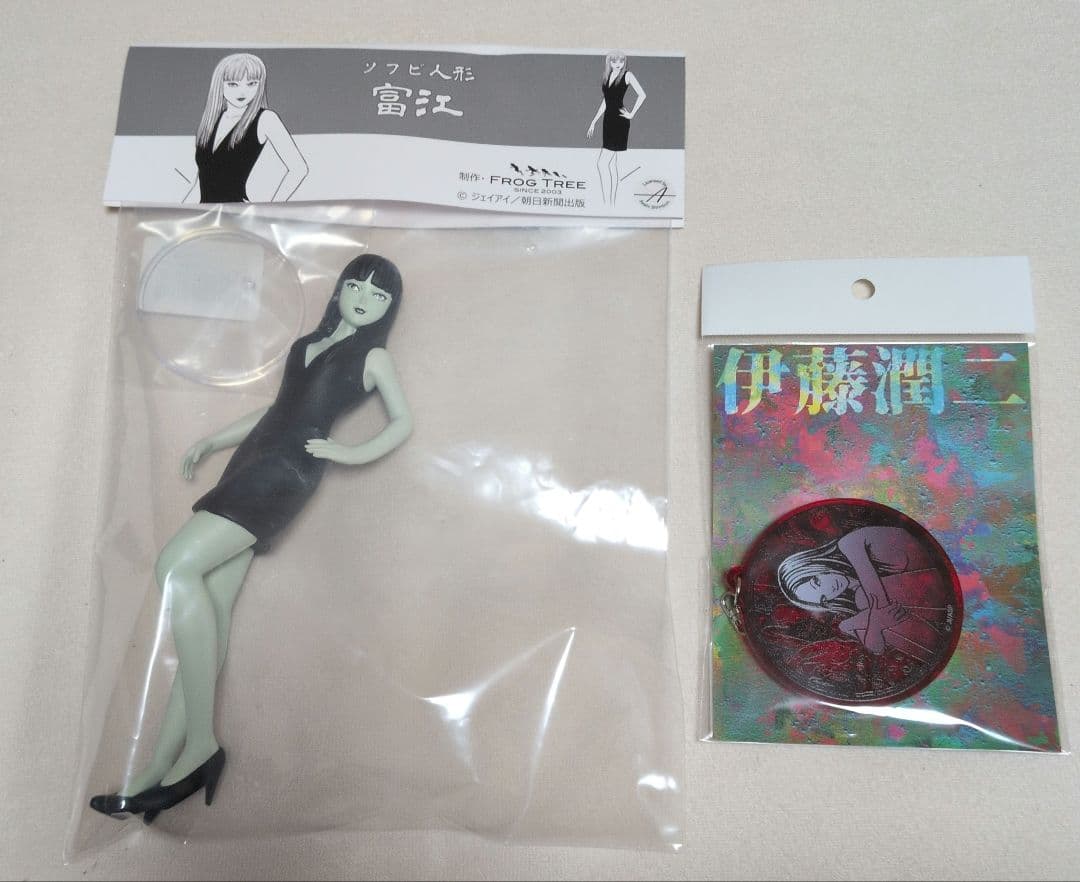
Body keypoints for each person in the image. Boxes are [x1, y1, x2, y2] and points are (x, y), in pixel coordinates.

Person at [90, 254, 412, 821]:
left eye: (378, 295)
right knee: (211, 608)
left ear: (389, 309)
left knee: (175, 567)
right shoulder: (307, 344)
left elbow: (403, 421)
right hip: (251, 461)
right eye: (355, 286)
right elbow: (277, 410)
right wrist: (214, 439)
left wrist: (347, 452)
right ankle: (157, 770)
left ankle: (201, 745)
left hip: (284, 476)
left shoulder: (374, 357)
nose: (364, 299)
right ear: (339, 290)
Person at [776, 525, 946, 662]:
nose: (829, 590)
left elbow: (879, 601)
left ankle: (939, 648)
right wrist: (870, 623)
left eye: (817, 582)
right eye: (823, 598)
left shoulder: (849, 543)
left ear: (814, 564)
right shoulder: (856, 599)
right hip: (941, 605)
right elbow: (876, 648)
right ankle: (940, 650)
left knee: (864, 603)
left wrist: (848, 624)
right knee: (865, 609)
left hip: (945, 563)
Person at [185, 52, 308, 203]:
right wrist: (182, 212)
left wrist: (268, 209)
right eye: (233, 84)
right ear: (220, 85)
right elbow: (201, 181)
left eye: (252, 84)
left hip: (238, 213)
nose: (242, 91)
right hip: (206, 212)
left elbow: (299, 168)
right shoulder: (210, 121)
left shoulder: (266, 119)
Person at [586, 51, 646, 205]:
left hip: (619, 121)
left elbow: (642, 95)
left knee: (602, 164)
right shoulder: (607, 76)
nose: (618, 64)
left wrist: (631, 114)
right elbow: (606, 102)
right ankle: (611, 204)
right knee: (612, 165)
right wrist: (594, 121)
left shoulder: (627, 75)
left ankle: (607, 204)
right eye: (614, 61)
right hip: (608, 121)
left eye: (621, 61)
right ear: (609, 62)